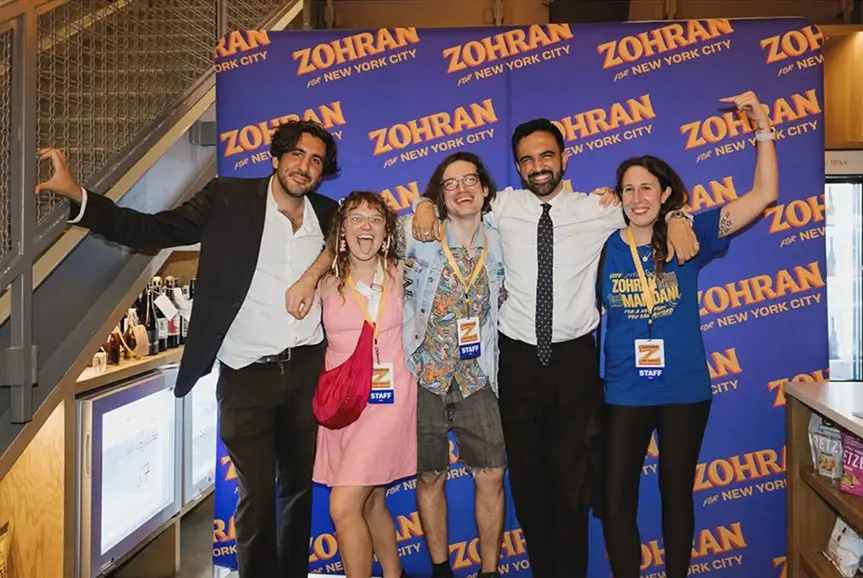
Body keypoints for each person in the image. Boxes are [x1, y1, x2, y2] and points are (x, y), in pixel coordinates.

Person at [34, 120, 340, 578]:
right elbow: (153, 229)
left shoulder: (327, 212)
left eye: (315, 160)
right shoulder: (228, 198)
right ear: (276, 158)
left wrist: (314, 272)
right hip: (246, 376)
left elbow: (357, 239)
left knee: (297, 491)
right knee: (256, 499)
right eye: (296, 154)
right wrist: (80, 197)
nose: (305, 166)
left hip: (307, 371)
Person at [409, 120, 701, 578]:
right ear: (517, 166)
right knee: (527, 483)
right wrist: (425, 203)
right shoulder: (500, 206)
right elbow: (453, 198)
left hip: (573, 363)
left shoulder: (600, 208)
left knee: (573, 484)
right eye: (526, 159)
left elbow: (648, 205)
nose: (537, 166)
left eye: (546, 156)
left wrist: (677, 216)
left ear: (565, 158)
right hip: (519, 360)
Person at [287, 151, 509, 578]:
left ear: (485, 189)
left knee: (490, 475)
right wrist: (309, 276)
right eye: (449, 184)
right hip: (406, 382)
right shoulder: (409, 245)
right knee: (390, 493)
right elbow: (359, 238)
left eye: (470, 181)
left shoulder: (500, 234)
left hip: (469, 375)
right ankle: (418, 571)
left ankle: (489, 571)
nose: (365, 226)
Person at [599, 91, 778, 578]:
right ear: (618, 197)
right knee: (616, 500)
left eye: (647, 188)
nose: (638, 198)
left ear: (664, 193)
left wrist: (761, 124)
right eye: (628, 189)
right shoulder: (601, 244)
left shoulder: (689, 231)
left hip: (684, 389)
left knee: (676, 491)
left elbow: (763, 196)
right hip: (624, 390)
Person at [313, 191, 417, 578]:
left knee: (342, 507)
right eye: (355, 218)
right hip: (342, 406)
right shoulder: (323, 284)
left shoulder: (403, 273)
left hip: (389, 403)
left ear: (387, 233)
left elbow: (436, 226)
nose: (366, 227)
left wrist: (421, 206)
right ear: (341, 232)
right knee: (372, 500)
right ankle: (394, 574)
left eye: (375, 220)